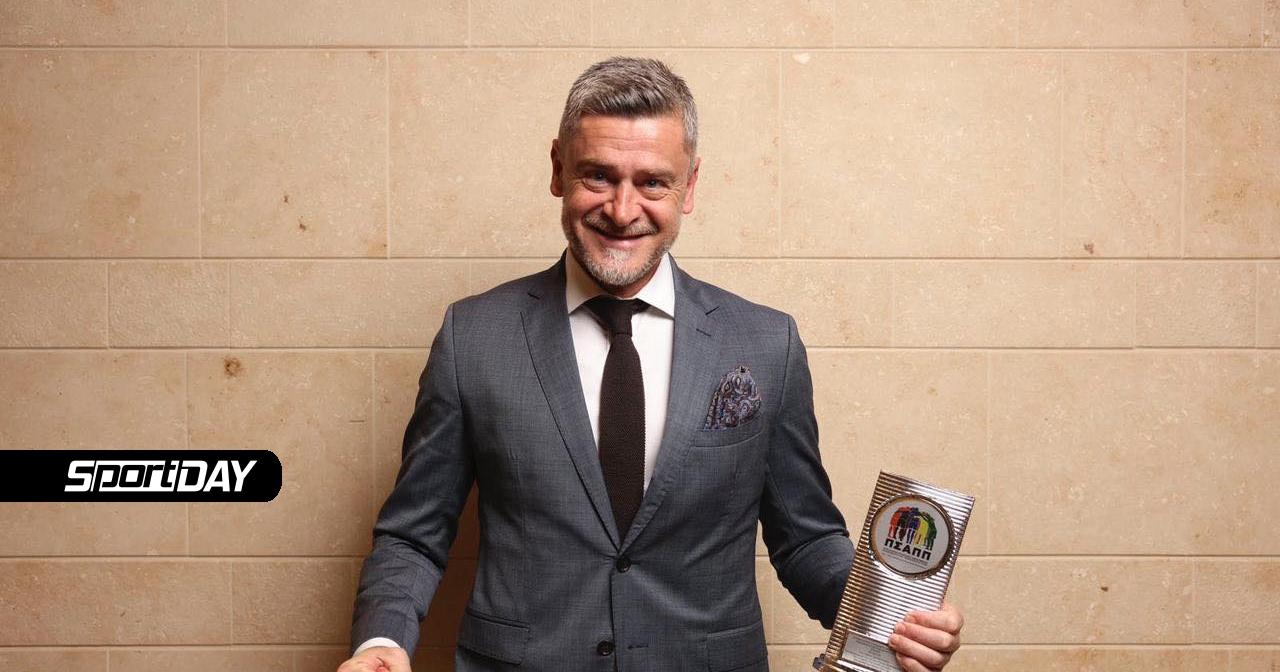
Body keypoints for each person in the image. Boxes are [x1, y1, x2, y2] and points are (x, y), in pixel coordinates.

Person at [339, 57, 963, 672]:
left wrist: (890, 624)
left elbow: (805, 539)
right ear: (557, 169)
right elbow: (413, 534)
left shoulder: (766, 343)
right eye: (598, 176)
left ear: (689, 186)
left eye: (653, 183)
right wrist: (381, 642)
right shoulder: (473, 337)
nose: (622, 209)